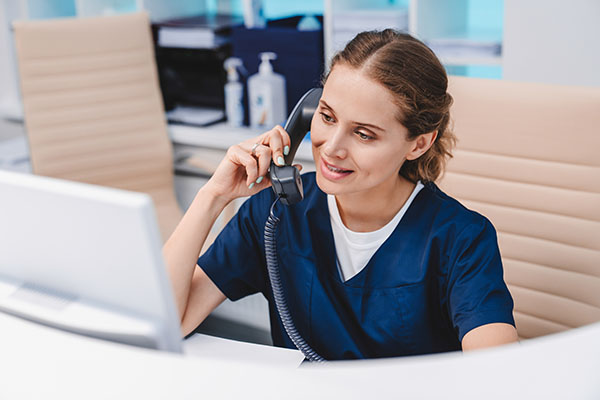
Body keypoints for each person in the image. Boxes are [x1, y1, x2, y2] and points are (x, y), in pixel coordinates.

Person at [163, 30, 518, 360]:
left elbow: (498, 378)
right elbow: (169, 320)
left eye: (364, 134)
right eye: (327, 117)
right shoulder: (274, 214)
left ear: (419, 143)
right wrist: (214, 195)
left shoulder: (461, 239)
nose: (331, 149)